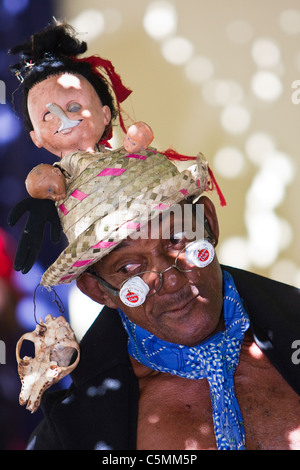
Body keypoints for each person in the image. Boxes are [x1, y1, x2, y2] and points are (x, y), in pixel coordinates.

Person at [8, 22, 300, 451]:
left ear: (209, 224)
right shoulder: (75, 428)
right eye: (128, 267)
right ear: (96, 289)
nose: (171, 278)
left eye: (179, 240)